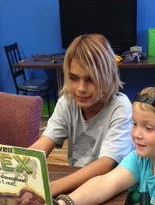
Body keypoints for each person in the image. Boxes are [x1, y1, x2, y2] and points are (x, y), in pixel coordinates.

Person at [54, 82, 155, 205]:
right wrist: (64, 203)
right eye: (134, 124)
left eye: (148, 128)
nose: (136, 134)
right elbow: (106, 183)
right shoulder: (144, 157)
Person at [30, 34, 134, 197]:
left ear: (108, 76)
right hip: (76, 184)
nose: (80, 88)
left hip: (111, 189)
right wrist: (19, 169)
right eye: (73, 78)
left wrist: (53, 187)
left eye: (90, 80)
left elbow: (106, 164)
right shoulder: (67, 102)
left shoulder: (120, 107)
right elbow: (42, 145)